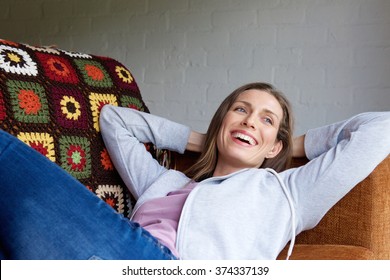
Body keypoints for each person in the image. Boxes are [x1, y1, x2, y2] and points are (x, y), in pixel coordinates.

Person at [0, 82, 389, 260]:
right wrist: (204, 140)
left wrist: (289, 150)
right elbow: (114, 120)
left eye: (266, 119)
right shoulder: (163, 181)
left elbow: (381, 128)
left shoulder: (289, 193)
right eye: (241, 110)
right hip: (123, 250)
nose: (250, 121)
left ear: (276, 144)